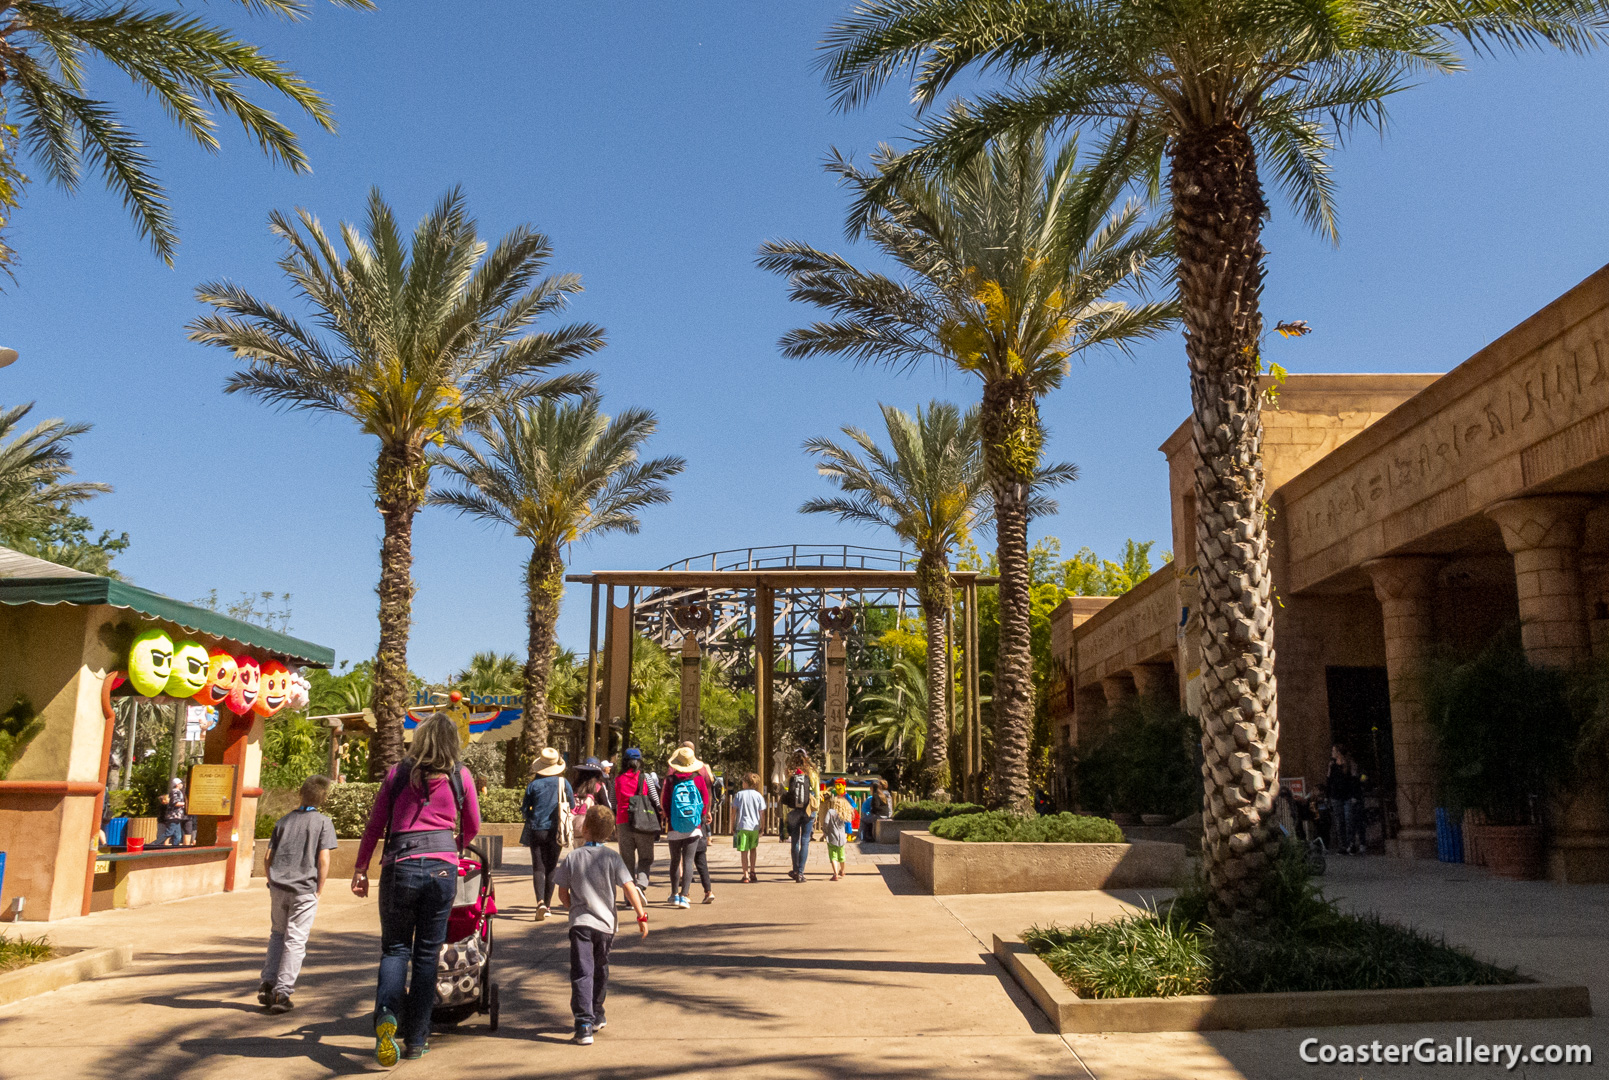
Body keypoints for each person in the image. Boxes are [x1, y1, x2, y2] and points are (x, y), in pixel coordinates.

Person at [353, 714, 481, 1065]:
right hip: (442, 870)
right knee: (427, 956)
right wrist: (455, 847)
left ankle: (387, 1018)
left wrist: (361, 867)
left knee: (395, 950)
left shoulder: (397, 773)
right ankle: (417, 1040)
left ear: (420, 738)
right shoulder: (461, 775)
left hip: (399, 866)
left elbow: (375, 825)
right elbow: (472, 824)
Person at [553, 804, 649, 1046]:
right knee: (600, 970)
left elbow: (562, 892)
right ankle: (597, 1013)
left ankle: (584, 1024)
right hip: (606, 926)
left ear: (584, 829)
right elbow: (629, 887)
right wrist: (641, 916)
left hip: (580, 925)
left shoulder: (573, 857)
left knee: (582, 972)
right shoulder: (612, 857)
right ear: (610, 833)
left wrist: (572, 908)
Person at [257, 775, 337, 1014]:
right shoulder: (323, 822)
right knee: (296, 940)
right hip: (304, 889)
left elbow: (267, 858)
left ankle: (267, 984)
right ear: (323, 798)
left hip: (279, 888)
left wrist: (272, 881)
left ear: (301, 793)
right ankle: (283, 992)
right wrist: (319, 890)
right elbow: (323, 859)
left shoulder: (283, 821)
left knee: (277, 935)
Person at [521, 747, 574, 919]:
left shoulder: (533, 785)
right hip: (556, 830)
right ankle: (549, 906)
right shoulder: (563, 783)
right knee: (551, 867)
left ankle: (539, 903)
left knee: (538, 867)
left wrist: (533, 813)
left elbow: (524, 809)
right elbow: (571, 805)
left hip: (537, 829)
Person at [662, 746, 708, 908]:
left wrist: (669, 818)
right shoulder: (698, 779)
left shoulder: (669, 780)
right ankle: (684, 896)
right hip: (693, 826)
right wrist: (699, 817)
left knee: (675, 860)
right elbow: (705, 801)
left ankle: (674, 893)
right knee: (689, 861)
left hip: (674, 826)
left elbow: (664, 803)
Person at [613, 748, 661, 892]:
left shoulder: (617, 779)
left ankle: (629, 896)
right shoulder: (645, 777)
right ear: (639, 762)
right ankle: (641, 884)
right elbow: (655, 799)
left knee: (627, 861)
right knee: (645, 857)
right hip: (643, 821)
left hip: (623, 821)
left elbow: (612, 801)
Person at [677, 740, 716, 904]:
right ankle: (708, 891)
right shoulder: (702, 771)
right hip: (697, 816)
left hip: (678, 818)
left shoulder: (674, 771)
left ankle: (683, 893)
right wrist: (707, 812)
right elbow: (707, 793)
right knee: (700, 855)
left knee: (682, 856)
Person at [781, 748, 820, 882]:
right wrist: (816, 812)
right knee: (805, 841)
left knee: (795, 841)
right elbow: (817, 792)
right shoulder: (812, 773)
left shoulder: (790, 774)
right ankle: (801, 873)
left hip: (793, 811)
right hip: (808, 810)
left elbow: (786, 792)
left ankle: (795, 869)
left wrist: (786, 813)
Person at [1327, 745, 1363, 855]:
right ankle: (1343, 846)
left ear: (1339, 752)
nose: (1332, 753)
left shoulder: (1348, 765)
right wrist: (1328, 795)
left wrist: (1354, 795)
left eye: (1334, 751)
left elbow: (1353, 780)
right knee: (1339, 822)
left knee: (1348, 820)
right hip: (1336, 796)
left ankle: (1351, 844)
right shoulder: (1332, 765)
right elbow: (1329, 780)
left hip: (1347, 796)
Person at [731, 771, 765, 883]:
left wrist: (732, 825)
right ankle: (753, 871)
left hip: (742, 825)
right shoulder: (758, 795)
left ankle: (745, 874)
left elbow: (734, 811)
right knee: (753, 849)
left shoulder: (739, 795)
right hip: (754, 826)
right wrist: (762, 826)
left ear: (745, 783)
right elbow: (762, 813)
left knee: (744, 851)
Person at [820, 787, 853, 881]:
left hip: (831, 837)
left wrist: (825, 831)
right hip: (842, 837)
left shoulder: (830, 812)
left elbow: (826, 823)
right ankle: (842, 871)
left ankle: (835, 874)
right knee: (842, 855)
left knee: (833, 856)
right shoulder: (843, 814)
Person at [570, 775, 605, 850]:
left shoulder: (574, 787)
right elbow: (606, 805)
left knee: (578, 853)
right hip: (588, 828)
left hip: (574, 827)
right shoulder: (598, 786)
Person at [155, 777, 186, 847]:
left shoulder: (178, 792)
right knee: (169, 832)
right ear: (177, 784)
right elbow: (175, 803)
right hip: (174, 816)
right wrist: (186, 804)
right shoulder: (175, 791)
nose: (182, 785)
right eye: (181, 783)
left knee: (178, 835)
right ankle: (154, 844)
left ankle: (175, 847)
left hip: (177, 816)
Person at [861, 779, 893, 844]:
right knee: (869, 819)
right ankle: (869, 836)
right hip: (886, 814)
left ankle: (866, 837)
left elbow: (876, 807)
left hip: (879, 815)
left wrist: (871, 812)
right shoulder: (884, 795)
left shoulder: (876, 795)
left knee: (864, 819)